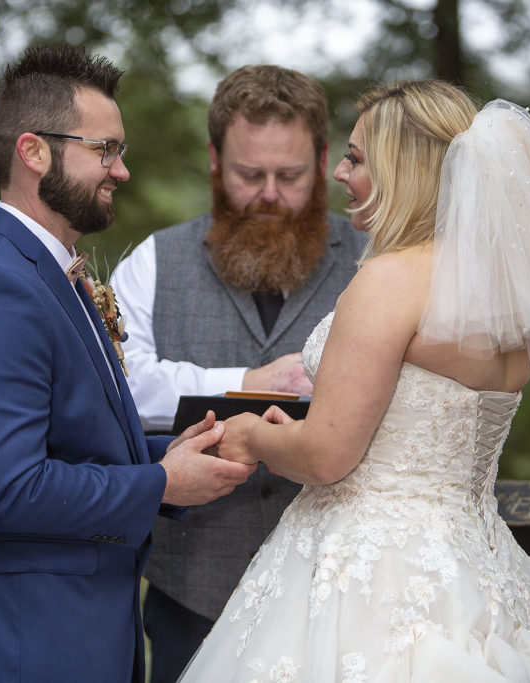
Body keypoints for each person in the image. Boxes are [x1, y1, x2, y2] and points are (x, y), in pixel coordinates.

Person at [179, 80, 530, 681]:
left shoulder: (389, 282)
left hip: (373, 579)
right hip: (480, 568)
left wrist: (253, 435)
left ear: (403, 169)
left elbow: (326, 458)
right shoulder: (502, 300)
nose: (340, 172)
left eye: (357, 158)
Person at [0, 45, 256, 683]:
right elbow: (11, 491)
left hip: (79, 634)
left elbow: (74, 447)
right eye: (106, 150)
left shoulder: (44, 271)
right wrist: (161, 484)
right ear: (34, 151)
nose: (120, 170)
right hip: (20, 643)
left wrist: (176, 454)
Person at [108, 64, 367, 680]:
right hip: (191, 599)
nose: (271, 193)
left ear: (325, 159)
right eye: (251, 174)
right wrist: (246, 383)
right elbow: (115, 391)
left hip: (344, 600)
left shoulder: (376, 262)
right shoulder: (152, 263)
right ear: (215, 161)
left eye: (292, 175)